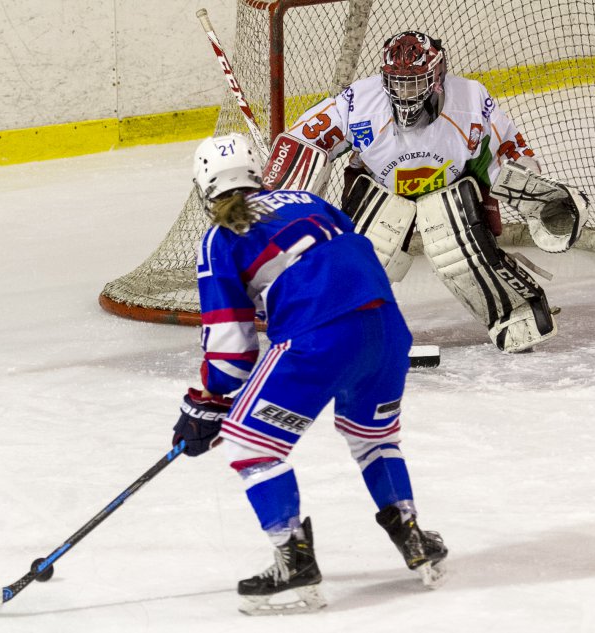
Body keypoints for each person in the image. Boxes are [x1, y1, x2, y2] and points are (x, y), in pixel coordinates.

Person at [172, 132, 448, 615]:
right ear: (257, 173)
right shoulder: (309, 200)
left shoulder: (221, 237)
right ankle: (412, 535)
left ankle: (293, 561)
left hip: (319, 338)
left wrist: (211, 402)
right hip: (387, 331)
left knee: (249, 443)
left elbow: (230, 347)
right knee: (372, 437)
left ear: (204, 187)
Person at [283, 31, 588, 353]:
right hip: (380, 189)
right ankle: (337, 323)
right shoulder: (358, 100)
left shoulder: (471, 98)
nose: (405, 93)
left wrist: (536, 193)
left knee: (456, 243)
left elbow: (508, 149)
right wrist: (279, 198)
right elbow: (303, 140)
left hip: (451, 188)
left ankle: (516, 312)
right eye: (397, 83)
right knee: (367, 253)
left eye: (415, 83)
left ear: (438, 77)